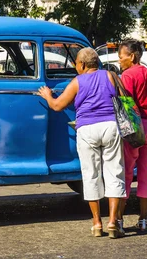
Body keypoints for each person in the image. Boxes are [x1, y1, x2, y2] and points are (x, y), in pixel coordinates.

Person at [37, 48, 126, 238]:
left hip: (86, 129)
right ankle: (113, 222)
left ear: (83, 65)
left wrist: (47, 95)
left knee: (91, 175)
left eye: (76, 63)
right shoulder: (110, 75)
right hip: (111, 126)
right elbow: (122, 97)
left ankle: (96, 223)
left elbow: (57, 106)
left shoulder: (77, 81)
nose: (75, 66)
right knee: (114, 173)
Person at [117, 39, 147, 232]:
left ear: (132, 56)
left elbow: (127, 104)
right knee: (146, 174)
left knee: (126, 173)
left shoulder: (127, 76)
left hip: (137, 126)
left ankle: (118, 219)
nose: (120, 61)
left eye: (122, 57)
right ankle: (143, 220)